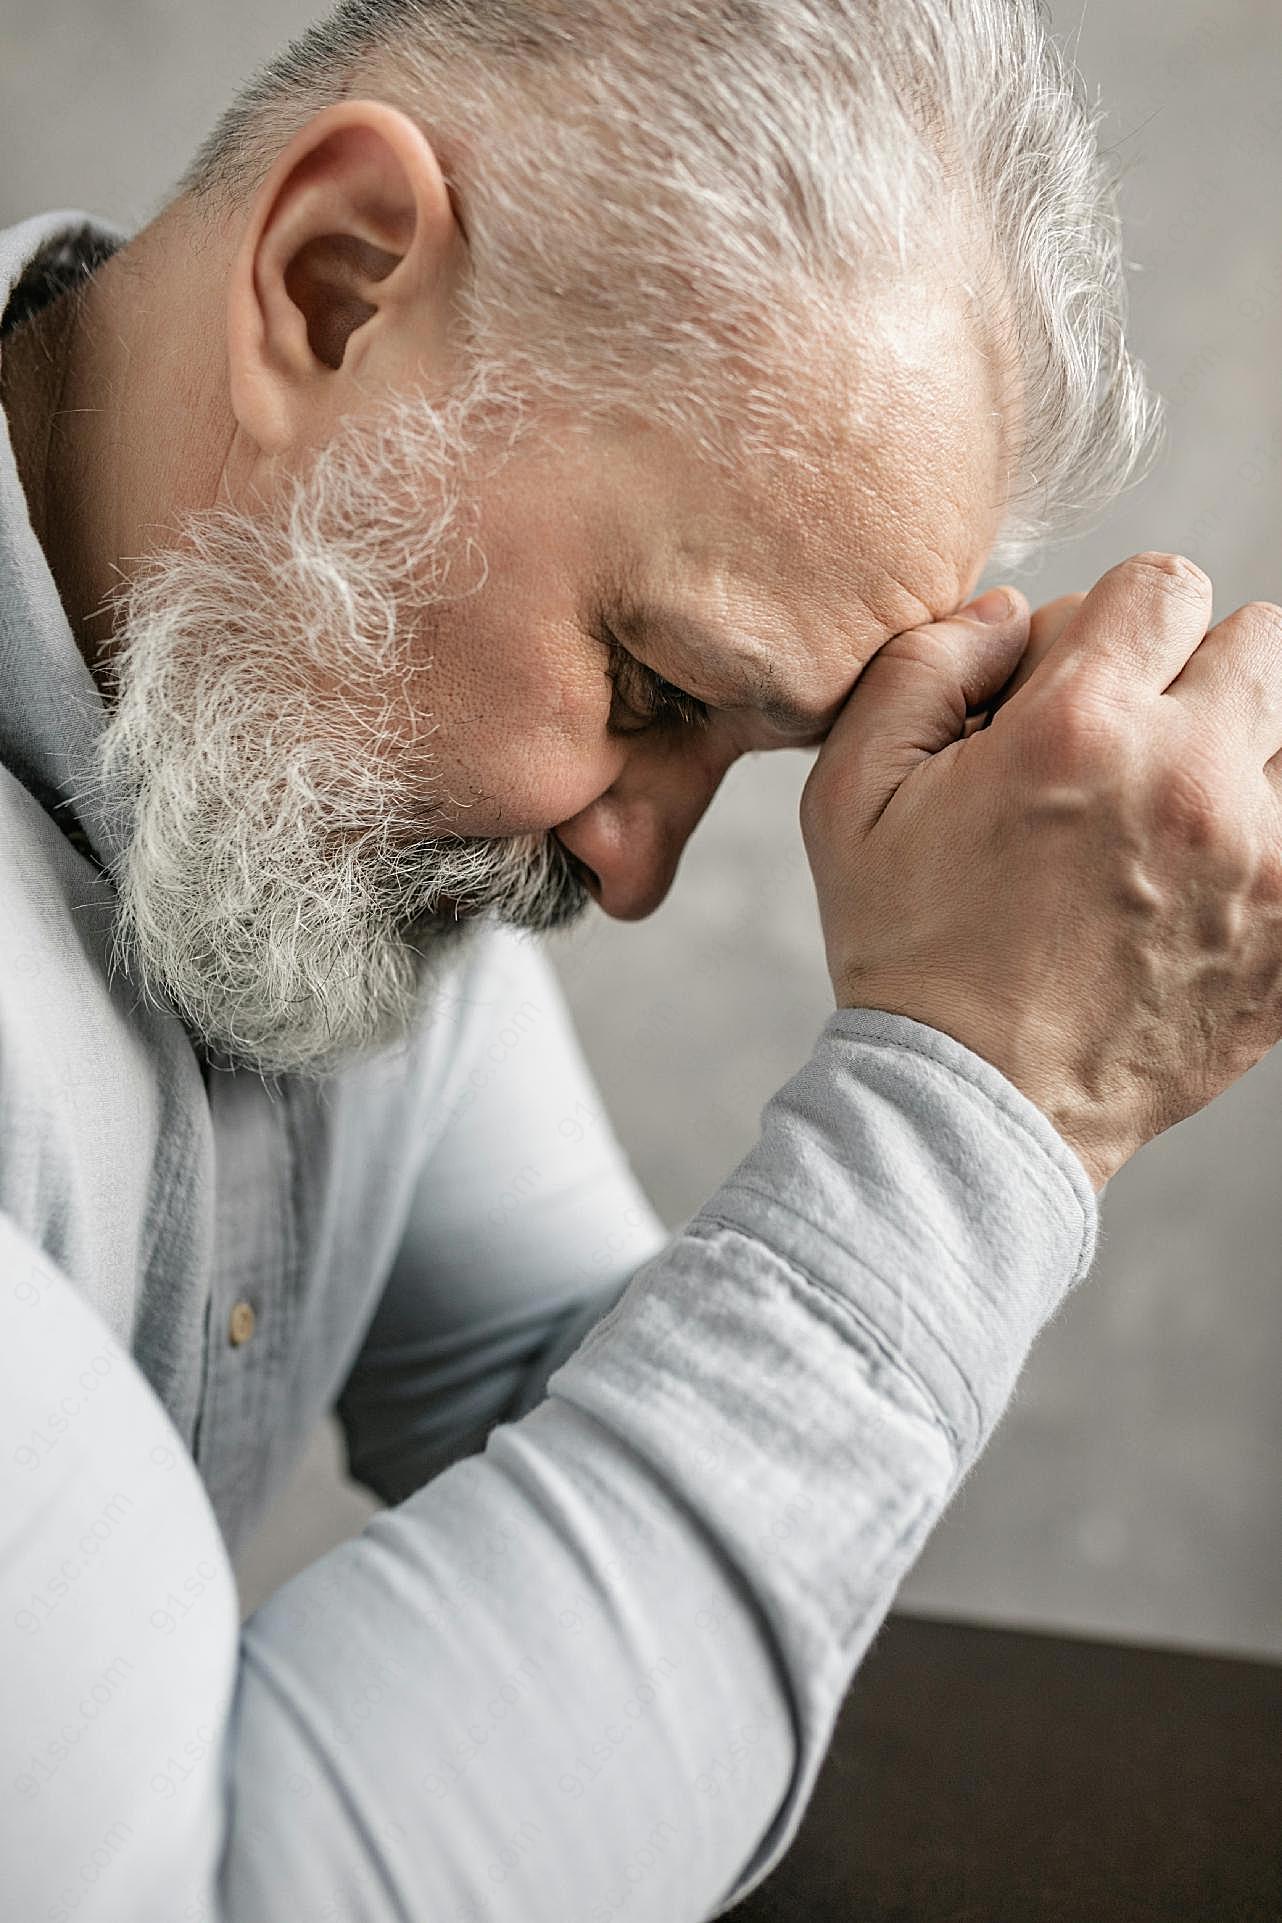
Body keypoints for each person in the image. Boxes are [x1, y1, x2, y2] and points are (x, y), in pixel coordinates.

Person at [3, 3, 1281, 1918]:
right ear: (334, 282)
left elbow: (543, 1416)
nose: (630, 872)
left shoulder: (264, 728)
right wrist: (991, 1100)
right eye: (651, 689)